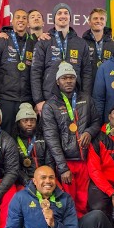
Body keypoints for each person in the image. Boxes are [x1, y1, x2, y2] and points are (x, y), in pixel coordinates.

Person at [42, 62, 100, 216]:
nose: (68, 81)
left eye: (71, 78)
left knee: (83, 200)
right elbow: (51, 138)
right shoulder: (50, 106)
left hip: (85, 160)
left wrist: (89, 132)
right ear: (57, 81)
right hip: (66, 162)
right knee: (67, 202)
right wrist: (62, 168)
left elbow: (96, 122)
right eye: (64, 78)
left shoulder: (86, 99)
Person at [31, 3, 92, 115]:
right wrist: (38, 100)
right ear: (54, 18)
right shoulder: (44, 41)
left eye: (66, 13)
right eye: (59, 13)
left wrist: (85, 97)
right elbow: (36, 72)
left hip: (75, 97)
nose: (62, 16)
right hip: (49, 97)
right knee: (50, 131)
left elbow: (87, 73)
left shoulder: (81, 43)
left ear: (70, 17)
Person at [0, 9, 36, 135]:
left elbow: (38, 74)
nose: (21, 20)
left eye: (24, 18)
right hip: (5, 100)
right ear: (12, 21)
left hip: (27, 100)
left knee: (26, 137)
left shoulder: (34, 43)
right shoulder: (1, 41)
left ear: (28, 22)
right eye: (18, 17)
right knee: (3, 136)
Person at [13, 103, 53, 189]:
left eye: (32, 120)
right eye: (25, 121)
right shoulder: (13, 142)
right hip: (24, 182)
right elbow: (15, 168)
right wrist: (28, 182)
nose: (29, 124)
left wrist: (45, 179)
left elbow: (49, 163)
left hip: (45, 180)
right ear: (19, 123)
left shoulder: (44, 138)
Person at [81, 8, 114, 88]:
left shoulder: (113, 44)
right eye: (95, 18)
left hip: (107, 87)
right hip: (87, 88)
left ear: (105, 22)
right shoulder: (82, 43)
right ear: (89, 22)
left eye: (101, 19)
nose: (98, 21)